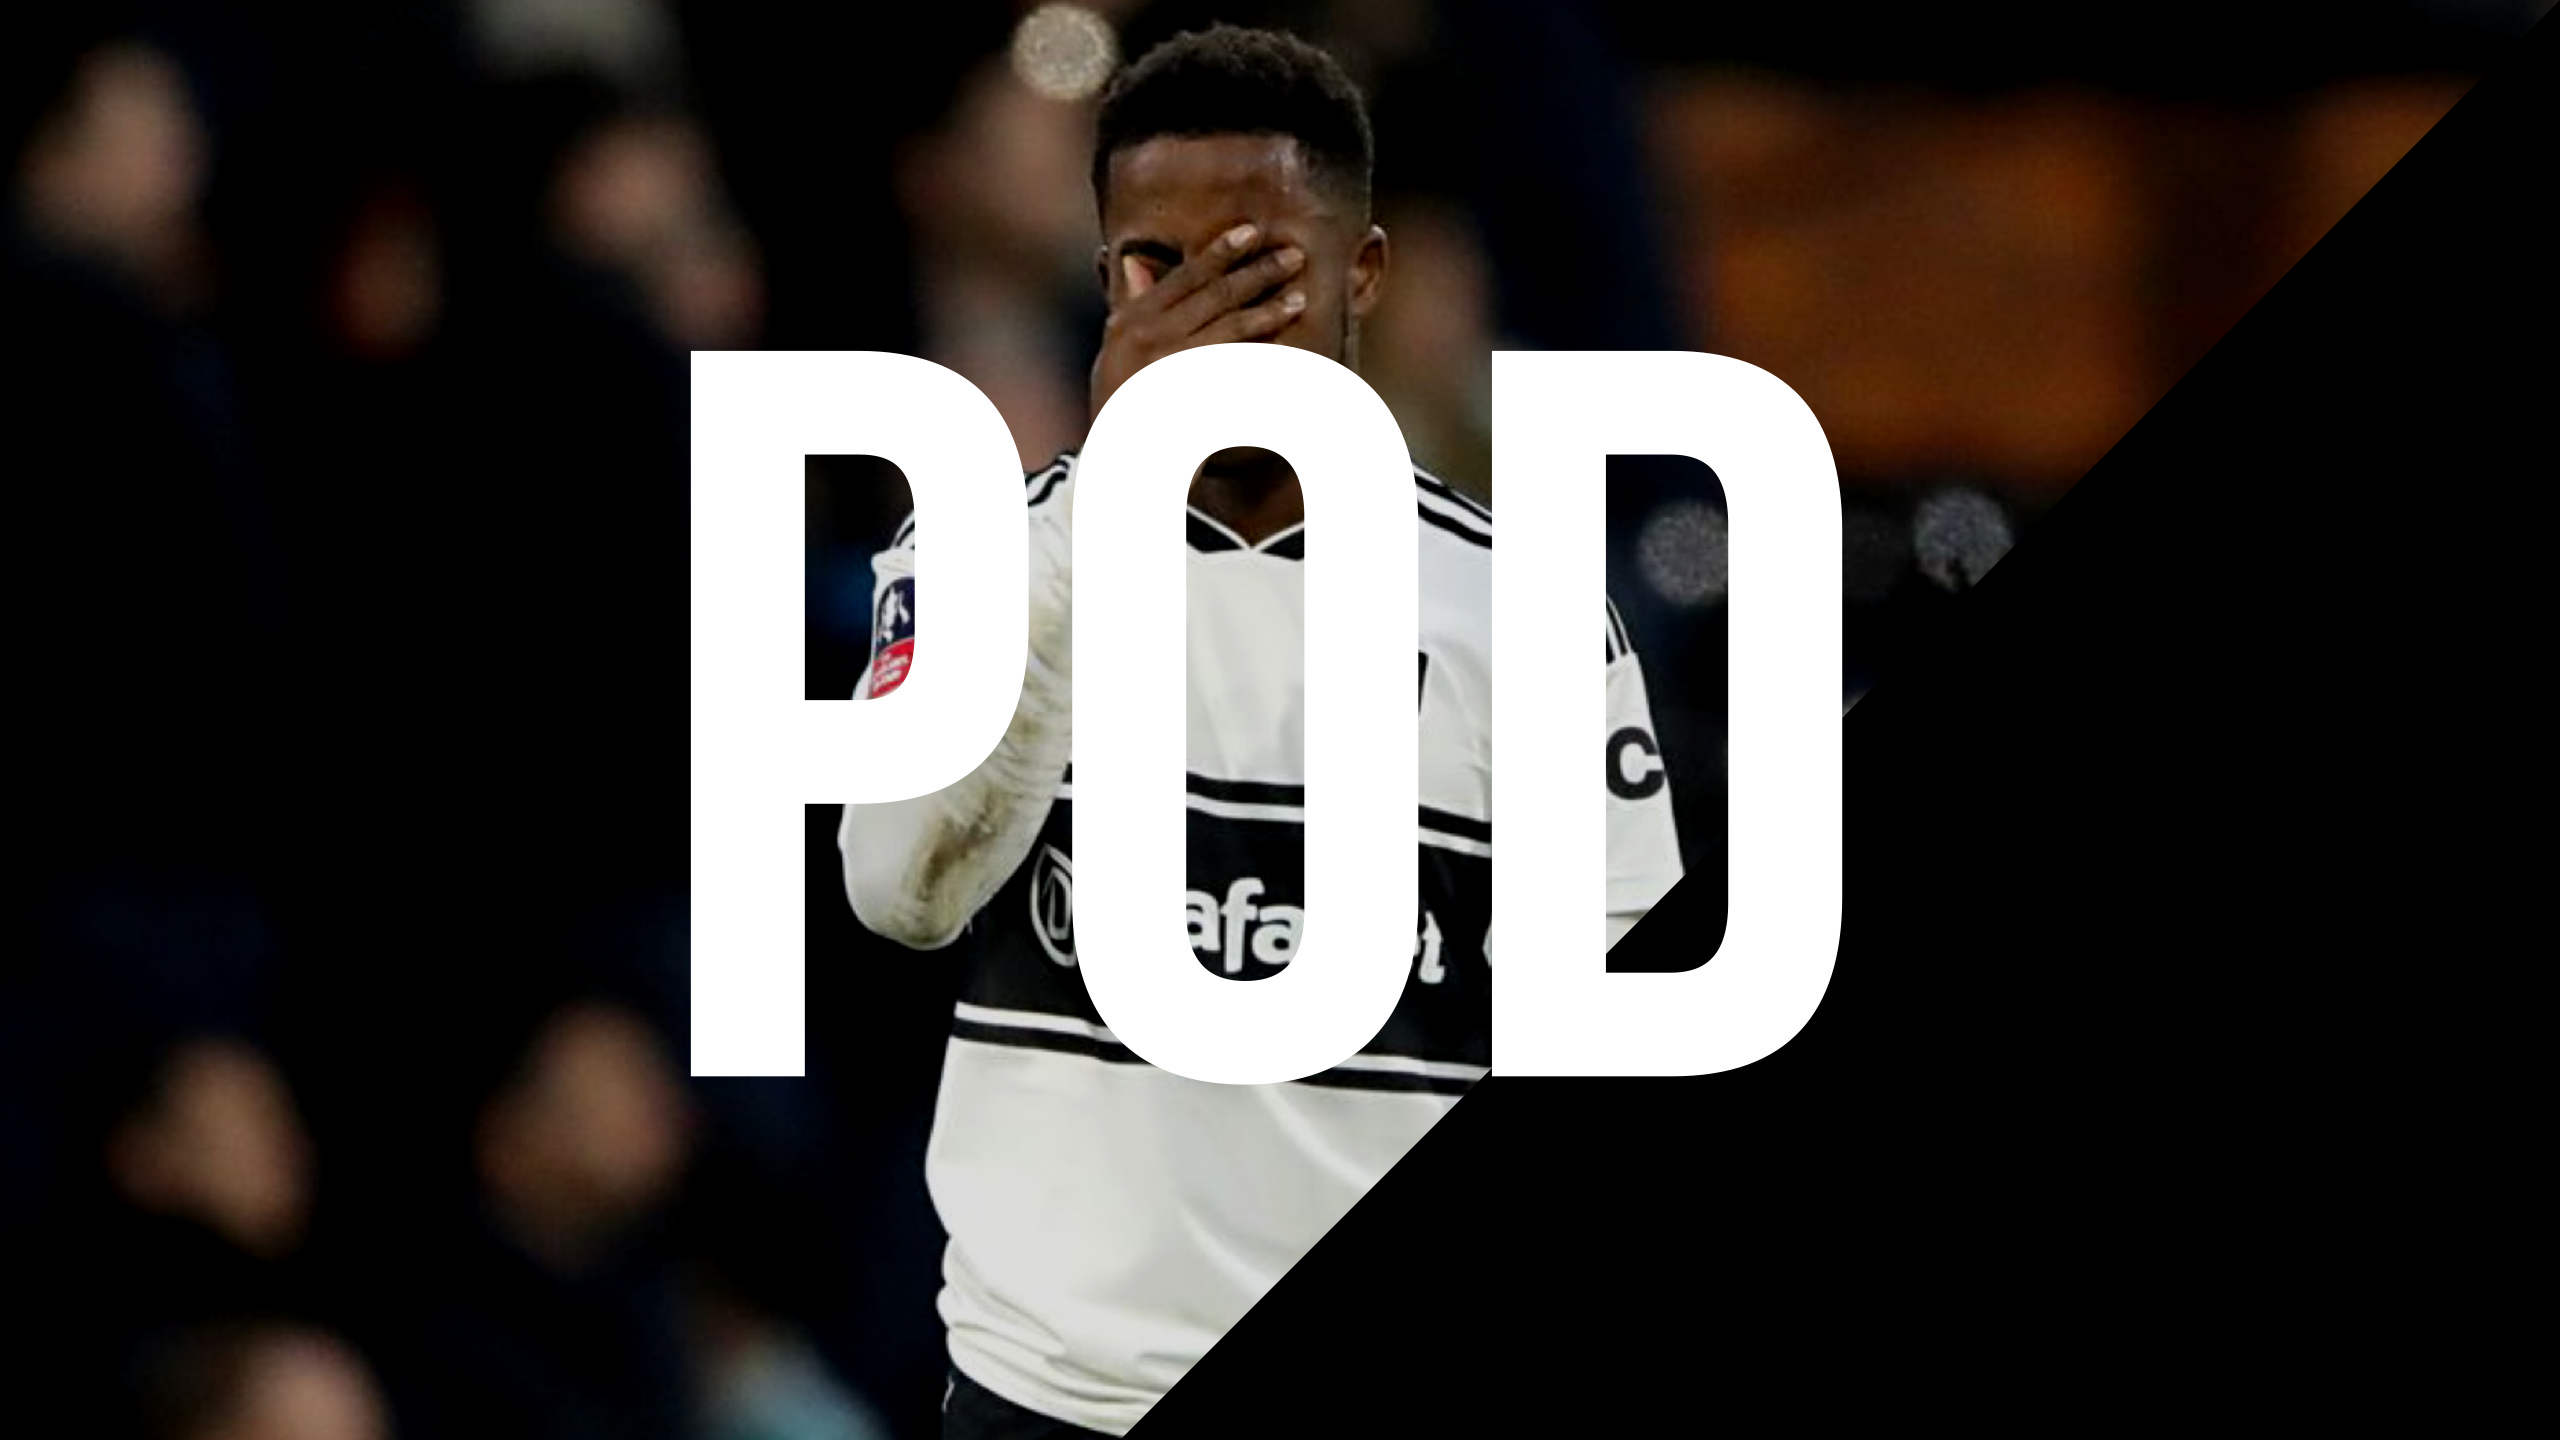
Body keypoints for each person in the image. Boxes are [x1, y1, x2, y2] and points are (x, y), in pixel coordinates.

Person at [837, 26, 1684, 1438]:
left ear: (1364, 274)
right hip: (1051, 1399)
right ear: (1102, 277)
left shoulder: (1520, 612)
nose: (1208, 324)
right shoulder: (990, 560)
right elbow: (897, 889)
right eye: (1157, 268)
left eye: (1262, 269)